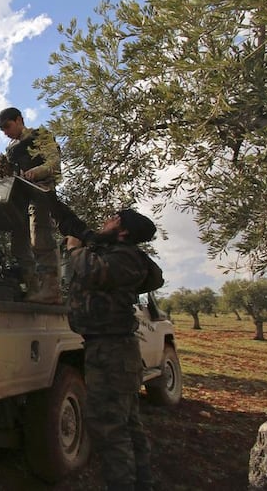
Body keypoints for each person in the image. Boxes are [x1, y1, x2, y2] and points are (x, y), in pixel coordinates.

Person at [48, 196, 163, 491]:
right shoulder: (111, 249)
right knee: (127, 424)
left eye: (114, 219)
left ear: (123, 232)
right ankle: (143, 484)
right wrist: (49, 199)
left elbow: (89, 270)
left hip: (113, 352)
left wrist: (74, 250)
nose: (107, 220)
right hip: (110, 350)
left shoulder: (128, 259)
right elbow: (75, 225)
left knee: (111, 429)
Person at [0, 107, 62, 303]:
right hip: (19, 198)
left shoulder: (41, 136)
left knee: (41, 239)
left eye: (7, 126)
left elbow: (54, 163)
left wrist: (35, 172)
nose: (5, 132)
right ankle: (33, 288)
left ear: (19, 119)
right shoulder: (10, 149)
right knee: (19, 245)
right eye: (2, 129)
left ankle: (51, 289)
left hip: (41, 192)